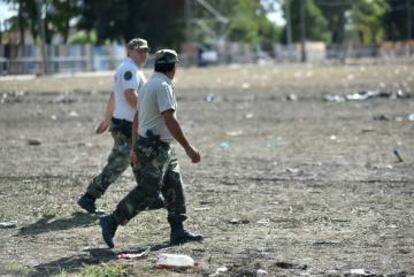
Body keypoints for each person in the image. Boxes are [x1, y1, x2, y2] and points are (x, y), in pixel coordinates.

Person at [99, 49, 203, 248]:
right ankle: (111, 221)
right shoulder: (163, 85)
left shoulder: (148, 85)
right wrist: (189, 148)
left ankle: (178, 231)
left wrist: (135, 146)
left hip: (156, 145)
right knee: (149, 191)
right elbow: (169, 118)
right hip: (154, 148)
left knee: (174, 186)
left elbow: (137, 117)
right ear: (173, 67)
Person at [78, 38, 158, 214]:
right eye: (139, 50)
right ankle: (89, 197)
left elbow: (114, 96)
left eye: (145, 50)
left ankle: (150, 196)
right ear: (129, 51)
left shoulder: (132, 69)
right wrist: (146, 113)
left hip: (128, 124)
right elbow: (130, 95)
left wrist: (106, 119)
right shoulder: (129, 69)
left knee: (140, 158)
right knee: (119, 163)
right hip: (125, 126)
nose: (143, 54)